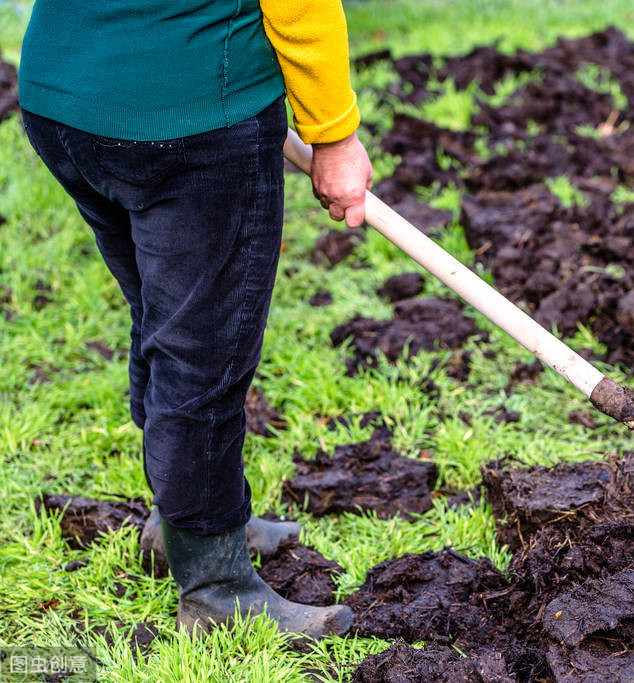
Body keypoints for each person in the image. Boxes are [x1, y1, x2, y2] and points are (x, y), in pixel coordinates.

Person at [18, 0, 373, 638]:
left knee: (165, 317)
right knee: (201, 351)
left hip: (63, 100)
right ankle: (216, 586)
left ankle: (190, 519)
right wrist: (336, 136)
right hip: (189, 118)